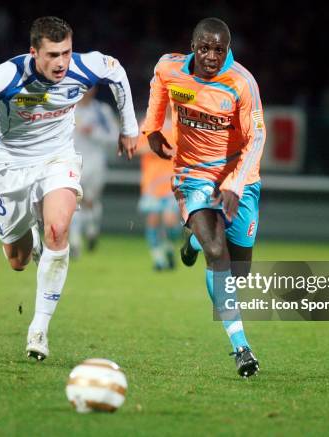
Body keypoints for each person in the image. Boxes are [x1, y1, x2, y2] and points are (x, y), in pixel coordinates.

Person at [0, 16, 138, 361]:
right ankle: (30, 233)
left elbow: (117, 72)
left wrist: (129, 127)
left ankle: (39, 328)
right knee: (17, 260)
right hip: (9, 168)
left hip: (57, 159)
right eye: (52, 55)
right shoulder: (9, 75)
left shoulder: (86, 66)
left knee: (58, 230)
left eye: (67, 52)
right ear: (34, 52)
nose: (62, 62)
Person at [142, 17, 264, 377]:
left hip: (238, 176)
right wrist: (152, 127)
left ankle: (192, 241)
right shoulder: (171, 68)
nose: (212, 56)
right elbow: (158, 85)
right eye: (205, 47)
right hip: (192, 173)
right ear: (193, 45)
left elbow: (257, 139)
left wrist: (236, 184)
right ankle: (241, 347)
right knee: (218, 253)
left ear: (228, 50)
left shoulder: (242, 83)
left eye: (219, 49)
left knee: (238, 271)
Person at [68, 87, 119, 258]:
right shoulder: (68, 109)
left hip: (95, 162)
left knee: (90, 200)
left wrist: (95, 133)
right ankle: (74, 241)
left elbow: (115, 136)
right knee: (73, 201)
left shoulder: (101, 110)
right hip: (73, 161)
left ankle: (92, 229)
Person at [137, 115, 180, 271]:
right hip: (152, 183)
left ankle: (169, 246)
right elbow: (137, 148)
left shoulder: (180, 123)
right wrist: (157, 148)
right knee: (153, 218)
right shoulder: (149, 123)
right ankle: (158, 258)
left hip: (173, 181)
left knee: (170, 221)